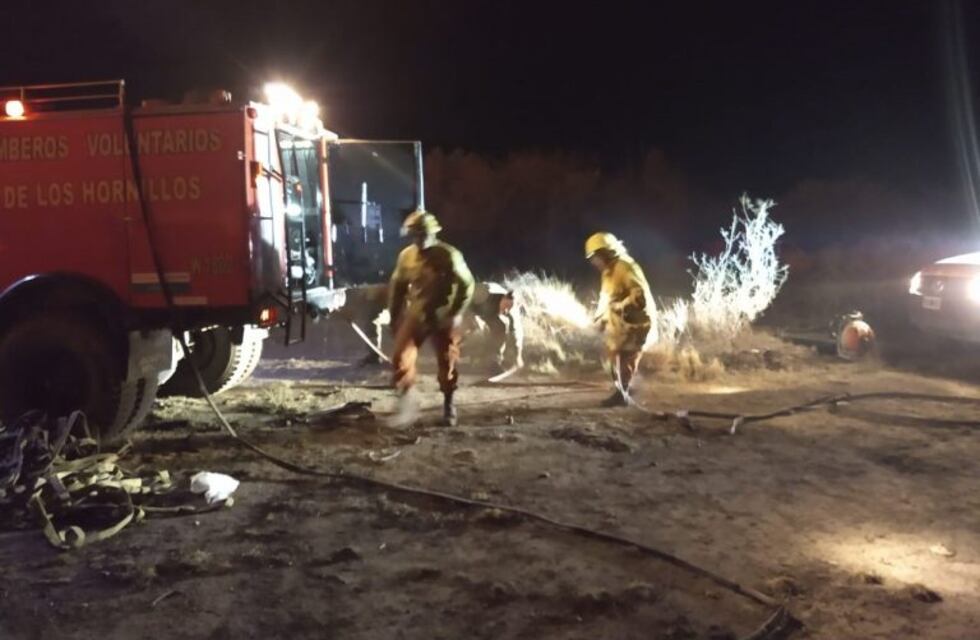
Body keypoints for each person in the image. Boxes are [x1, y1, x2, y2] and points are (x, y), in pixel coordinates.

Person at [388, 210, 475, 426]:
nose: (421, 239)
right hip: (416, 314)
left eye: (425, 234)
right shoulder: (406, 257)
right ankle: (407, 400)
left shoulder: (450, 255)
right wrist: (394, 316)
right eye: (417, 235)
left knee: (447, 361)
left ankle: (448, 403)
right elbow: (397, 287)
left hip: (442, 316)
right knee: (401, 357)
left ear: (434, 234)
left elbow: (467, 284)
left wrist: (455, 312)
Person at [585, 232, 655, 407]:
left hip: (636, 324)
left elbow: (639, 297)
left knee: (626, 358)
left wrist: (620, 307)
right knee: (614, 357)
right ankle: (624, 388)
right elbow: (606, 298)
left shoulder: (626, 267)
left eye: (595, 257)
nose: (594, 262)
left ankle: (623, 394)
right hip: (619, 327)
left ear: (606, 252)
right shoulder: (607, 273)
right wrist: (599, 319)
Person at [468, 282, 524, 373]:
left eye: (509, 308)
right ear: (503, 297)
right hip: (467, 309)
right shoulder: (486, 292)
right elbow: (462, 299)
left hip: (488, 314)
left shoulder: (512, 310)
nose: (506, 311)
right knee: (475, 327)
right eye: (505, 306)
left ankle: (493, 360)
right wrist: (471, 317)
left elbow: (516, 333)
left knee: (501, 326)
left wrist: (518, 356)